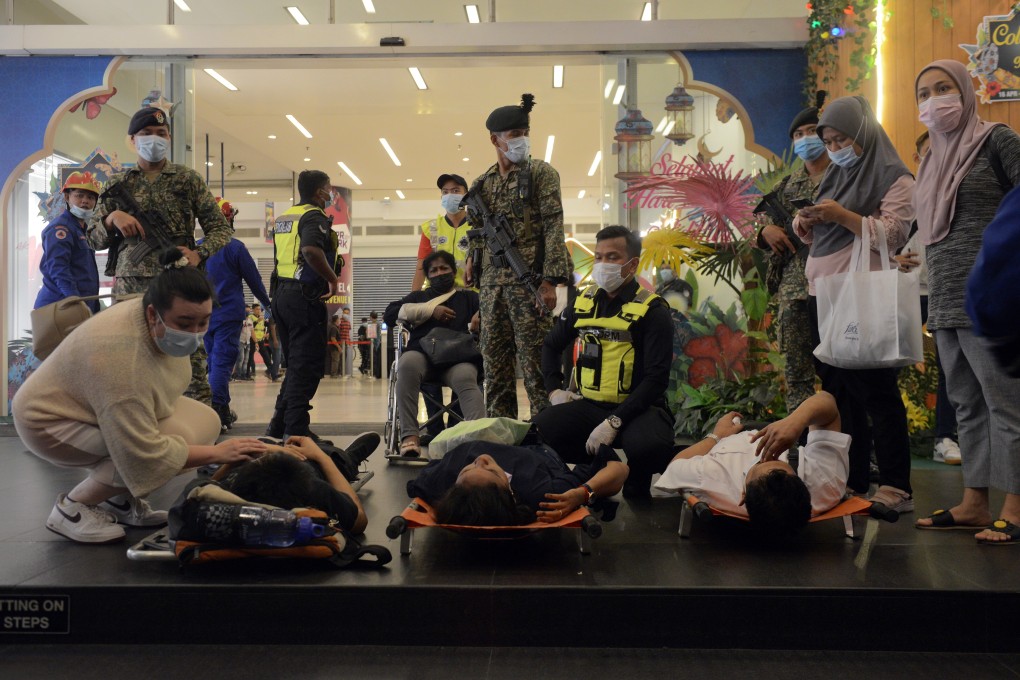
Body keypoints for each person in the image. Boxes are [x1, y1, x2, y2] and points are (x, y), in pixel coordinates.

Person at [12, 248, 268, 544]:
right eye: (184, 324)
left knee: (206, 422)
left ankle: (116, 500)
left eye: (203, 322)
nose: (196, 333)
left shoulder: (152, 312)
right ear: (152, 314)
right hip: (49, 422)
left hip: (93, 405)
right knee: (153, 450)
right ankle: (72, 507)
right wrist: (219, 453)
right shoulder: (121, 360)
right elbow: (141, 452)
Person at [910, 60, 1020, 544]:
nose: (934, 99)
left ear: (966, 91)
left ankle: (1015, 507)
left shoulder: (997, 140)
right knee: (965, 406)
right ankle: (975, 502)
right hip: (946, 298)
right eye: (925, 92)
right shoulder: (932, 158)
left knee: (1008, 404)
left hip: (993, 296)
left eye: (944, 87)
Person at [792, 95, 915, 516]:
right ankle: (852, 478)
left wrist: (843, 215)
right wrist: (805, 222)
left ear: (863, 134)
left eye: (842, 138)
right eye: (829, 141)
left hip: (859, 296)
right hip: (822, 294)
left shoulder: (894, 176)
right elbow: (818, 239)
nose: (834, 147)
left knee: (876, 390)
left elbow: (895, 234)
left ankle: (896, 484)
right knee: (838, 392)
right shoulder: (835, 177)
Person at [88, 106, 233, 408]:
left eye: (161, 134)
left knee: (190, 357)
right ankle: (135, 419)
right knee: (132, 354)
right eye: (146, 134)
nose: (154, 139)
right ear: (132, 140)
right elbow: (92, 237)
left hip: (178, 279)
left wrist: (198, 253)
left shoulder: (187, 179)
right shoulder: (118, 183)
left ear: (169, 138)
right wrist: (111, 218)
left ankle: (202, 422)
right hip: (131, 285)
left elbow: (221, 228)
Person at [533, 226, 674, 499]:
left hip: (638, 409)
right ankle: (593, 469)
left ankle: (635, 478)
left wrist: (615, 421)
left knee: (650, 447)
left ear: (632, 264)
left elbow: (657, 379)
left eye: (612, 257)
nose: (603, 265)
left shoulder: (653, 311)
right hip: (589, 404)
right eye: (598, 257)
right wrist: (554, 391)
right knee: (539, 431)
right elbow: (551, 345)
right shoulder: (583, 302)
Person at [465, 93, 572, 419]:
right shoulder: (481, 184)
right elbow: (478, 233)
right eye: (514, 136)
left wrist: (551, 280)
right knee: (495, 370)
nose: (522, 141)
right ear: (494, 140)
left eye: (525, 133)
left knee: (536, 365)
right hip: (492, 288)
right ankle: (502, 437)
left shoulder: (541, 174)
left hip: (530, 285)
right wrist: (472, 259)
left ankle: (546, 437)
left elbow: (555, 227)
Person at [654, 392, 850, 537]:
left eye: (762, 461)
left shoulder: (711, 478)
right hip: (782, 430)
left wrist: (716, 436)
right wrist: (796, 421)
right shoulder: (825, 483)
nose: (770, 453)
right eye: (778, 460)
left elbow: (675, 464)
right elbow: (828, 405)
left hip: (730, 437)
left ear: (742, 495)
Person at [754, 98, 830, 413]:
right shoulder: (786, 186)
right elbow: (757, 225)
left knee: (840, 370)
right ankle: (801, 439)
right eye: (798, 135)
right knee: (798, 373)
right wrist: (764, 233)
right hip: (795, 290)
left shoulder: (845, 177)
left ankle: (851, 443)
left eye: (812, 131)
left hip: (836, 286)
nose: (805, 139)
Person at [892, 132, 960, 466]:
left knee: (953, 366)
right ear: (917, 158)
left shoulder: (963, 189)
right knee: (889, 361)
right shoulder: (907, 193)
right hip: (908, 291)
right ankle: (883, 437)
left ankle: (945, 437)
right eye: (926, 152)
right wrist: (893, 260)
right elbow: (884, 235)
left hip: (949, 292)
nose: (935, 155)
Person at [265, 170, 342, 441]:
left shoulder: (285, 217)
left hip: (282, 296)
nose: (331, 194)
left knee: (295, 365)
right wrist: (332, 279)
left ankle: (278, 426)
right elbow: (310, 250)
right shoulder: (314, 216)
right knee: (306, 366)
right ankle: (296, 430)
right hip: (303, 298)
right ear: (320, 192)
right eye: (329, 189)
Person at [384, 250, 484, 457]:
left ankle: (478, 440)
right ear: (428, 276)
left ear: (453, 271)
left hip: (458, 359)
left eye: (444, 268)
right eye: (434, 270)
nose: (440, 273)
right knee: (406, 364)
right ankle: (410, 437)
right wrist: (430, 310)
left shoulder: (468, 297)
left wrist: (480, 315)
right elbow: (389, 315)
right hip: (422, 357)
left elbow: (491, 308)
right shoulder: (419, 297)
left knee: (467, 377)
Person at [408, 440, 629, 527]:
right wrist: (584, 493)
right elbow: (619, 469)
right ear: (510, 492)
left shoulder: (439, 481)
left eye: (467, 469)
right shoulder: (541, 495)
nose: (481, 459)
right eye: (492, 472)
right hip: (534, 446)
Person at [218, 433, 379, 535]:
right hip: (308, 463)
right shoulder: (314, 489)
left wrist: (254, 448)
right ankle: (346, 456)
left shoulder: (231, 490)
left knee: (262, 441)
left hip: (267, 461)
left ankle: (269, 443)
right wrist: (321, 457)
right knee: (337, 459)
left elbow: (208, 485)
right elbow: (359, 520)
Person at [201, 198, 272, 430]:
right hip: (228, 315)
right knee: (221, 363)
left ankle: (219, 407)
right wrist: (268, 305)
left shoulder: (197, 248)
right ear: (229, 219)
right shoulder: (235, 248)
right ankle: (219, 409)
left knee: (212, 362)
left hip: (201, 316)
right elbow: (254, 281)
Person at [35, 171, 102, 314]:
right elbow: (58, 268)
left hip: (79, 306)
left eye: (90, 197)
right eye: (79, 195)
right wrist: (74, 299)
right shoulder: (60, 228)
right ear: (67, 197)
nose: (85, 201)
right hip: (61, 307)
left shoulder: (82, 230)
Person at [411, 173, 473, 292]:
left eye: (455, 191)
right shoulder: (431, 228)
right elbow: (420, 269)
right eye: (445, 192)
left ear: (466, 196)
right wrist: (413, 299)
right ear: (441, 197)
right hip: (438, 294)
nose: (450, 195)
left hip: (472, 294)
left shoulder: (477, 226)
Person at [234, 309, 254, 381]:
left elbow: (252, 331)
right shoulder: (239, 321)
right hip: (240, 341)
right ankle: (237, 374)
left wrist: (256, 342)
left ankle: (243, 374)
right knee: (240, 359)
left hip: (247, 341)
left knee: (246, 359)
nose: (246, 315)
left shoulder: (250, 320)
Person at [337, 307, 353, 378]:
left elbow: (348, 333)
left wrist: (349, 341)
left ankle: (342, 372)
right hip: (340, 343)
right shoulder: (339, 322)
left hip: (346, 343)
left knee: (344, 358)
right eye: (345, 313)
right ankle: (339, 372)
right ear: (342, 313)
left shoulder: (348, 322)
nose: (346, 314)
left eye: (347, 313)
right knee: (339, 358)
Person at [327, 313, 342, 378]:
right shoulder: (334, 328)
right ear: (336, 320)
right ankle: (333, 374)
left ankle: (334, 373)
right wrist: (338, 347)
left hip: (334, 347)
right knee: (335, 361)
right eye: (339, 319)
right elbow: (333, 338)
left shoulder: (335, 327)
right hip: (334, 348)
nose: (340, 320)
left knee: (335, 360)